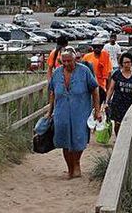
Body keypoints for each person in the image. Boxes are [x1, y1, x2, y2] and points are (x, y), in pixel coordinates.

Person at [47, 47, 101, 179]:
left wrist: (97, 110)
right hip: (61, 112)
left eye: (69, 61)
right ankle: (70, 168)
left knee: (79, 138)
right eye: (63, 61)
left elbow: (94, 90)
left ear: (75, 59)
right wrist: (50, 112)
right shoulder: (57, 73)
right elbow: (53, 93)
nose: (66, 64)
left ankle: (76, 163)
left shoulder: (84, 71)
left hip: (80, 111)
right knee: (64, 140)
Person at [104, 52, 132, 136]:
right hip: (117, 102)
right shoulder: (117, 74)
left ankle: (123, 138)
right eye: (125, 63)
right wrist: (106, 101)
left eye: (129, 62)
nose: (127, 64)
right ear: (121, 64)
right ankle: (118, 138)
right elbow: (111, 89)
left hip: (128, 103)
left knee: (126, 123)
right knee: (117, 123)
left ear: (131, 63)